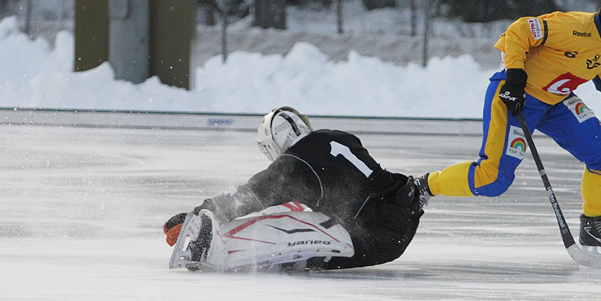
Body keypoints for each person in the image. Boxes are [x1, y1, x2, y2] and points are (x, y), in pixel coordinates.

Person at [418, 0, 601, 253]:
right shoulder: (573, 26)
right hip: (519, 97)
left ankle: (593, 227)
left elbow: (598, 62)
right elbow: (518, 31)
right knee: (492, 180)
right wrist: (515, 76)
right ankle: (422, 187)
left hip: (556, 101)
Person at [164, 107, 424, 270]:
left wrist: (200, 214)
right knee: (302, 211)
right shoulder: (338, 136)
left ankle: (221, 248)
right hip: (403, 209)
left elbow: (250, 195)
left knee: (285, 220)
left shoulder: (295, 163)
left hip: (373, 236)